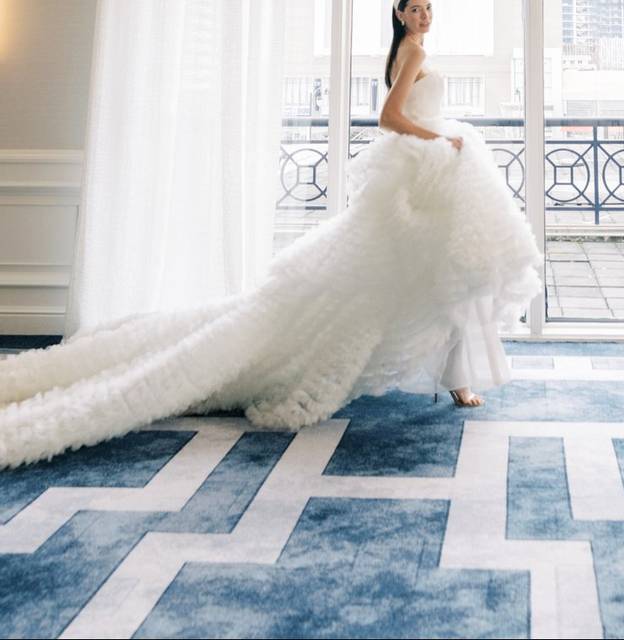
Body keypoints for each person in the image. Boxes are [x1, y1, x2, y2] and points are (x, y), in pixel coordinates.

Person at [0, 0, 543, 469]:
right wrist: (443, 141)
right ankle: (457, 379)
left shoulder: (405, 51)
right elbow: (390, 117)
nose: (425, 15)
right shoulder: (416, 52)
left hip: (420, 177)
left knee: (442, 278)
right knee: (438, 277)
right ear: (399, 14)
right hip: (423, 170)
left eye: (431, 7)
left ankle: (459, 376)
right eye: (416, 7)